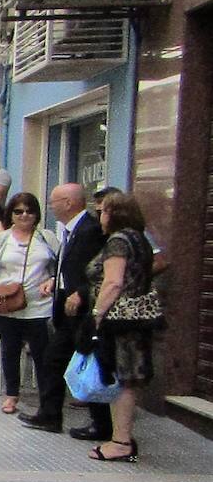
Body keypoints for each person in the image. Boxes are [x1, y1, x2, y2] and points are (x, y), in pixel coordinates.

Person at [20, 183, 110, 439]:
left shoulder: (89, 231)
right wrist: (55, 281)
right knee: (54, 360)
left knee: (86, 363)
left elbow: (96, 271)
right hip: (66, 309)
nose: (50, 207)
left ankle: (101, 423)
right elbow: (69, 266)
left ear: (68, 203)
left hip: (81, 311)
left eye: (54, 202)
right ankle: (50, 415)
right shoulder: (70, 231)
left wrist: (80, 292)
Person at [86, 191, 158, 462]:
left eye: (102, 211)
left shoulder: (118, 241)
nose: (100, 217)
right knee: (127, 379)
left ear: (113, 214)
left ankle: (121, 441)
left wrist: (96, 314)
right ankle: (121, 438)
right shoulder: (140, 239)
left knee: (122, 380)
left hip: (120, 321)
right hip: (139, 319)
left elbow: (113, 281)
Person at [0, 192, 58, 414]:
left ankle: (46, 398)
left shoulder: (46, 237)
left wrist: (52, 281)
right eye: (18, 211)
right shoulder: (2, 239)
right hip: (8, 303)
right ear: (10, 214)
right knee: (10, 350)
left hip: (39, 304)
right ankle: (11, 394)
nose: (24, 215)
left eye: (30, 211)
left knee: (42, 353)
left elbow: (60, 266)